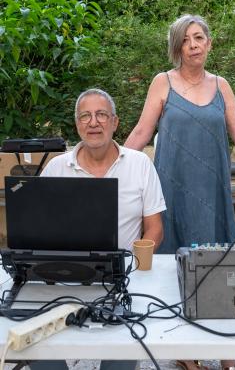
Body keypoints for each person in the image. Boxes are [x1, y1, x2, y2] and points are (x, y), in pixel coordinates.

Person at [125, 14, 235, 370]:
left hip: (213, 193)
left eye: (199, 38)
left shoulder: (221, 86)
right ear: (177, 48)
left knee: (221, 271)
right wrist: (116, 170)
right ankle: (185, 352)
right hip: (171, 192)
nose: (193, 45)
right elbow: (141, 132)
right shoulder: (162, 83)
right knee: (174, 270)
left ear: (209, 43)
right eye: (185, 40)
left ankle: (227, 355)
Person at [31, 88, 166, 370]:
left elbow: (155, 229)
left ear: (115, 122)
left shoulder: (140, 164)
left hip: (122, 279)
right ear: (77, 124)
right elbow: (37, 229)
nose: (93, 122)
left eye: (102, 114)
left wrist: (132, 270)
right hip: (62, 277)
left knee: (125, 346)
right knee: (35, 345)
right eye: (85, 116)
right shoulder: (56, 168)